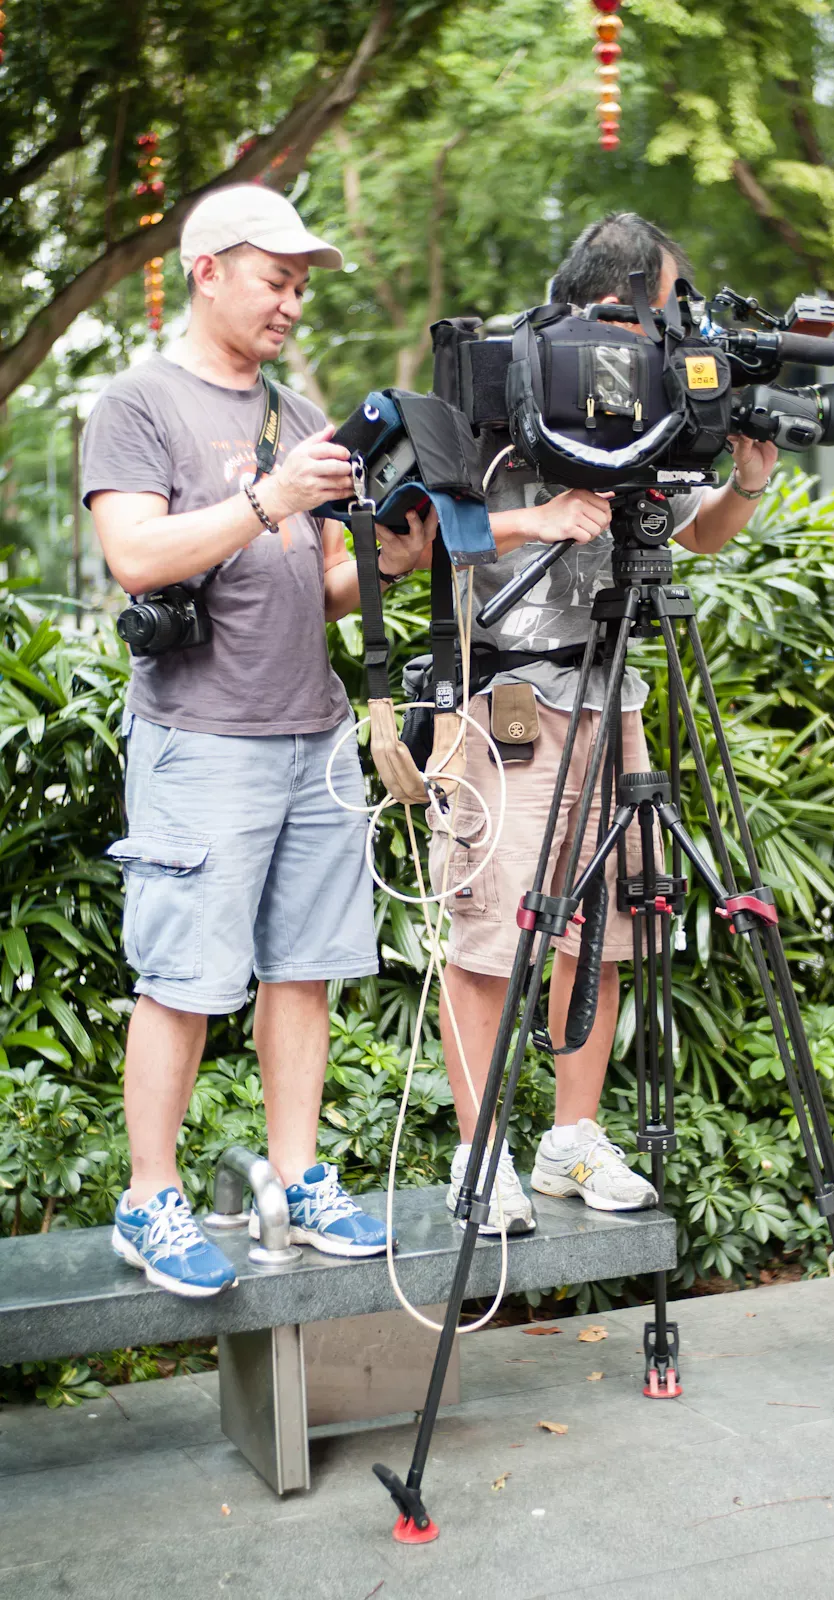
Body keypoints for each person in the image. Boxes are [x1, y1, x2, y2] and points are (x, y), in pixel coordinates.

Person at [85, 185, 434, 1297]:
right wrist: (273, 496)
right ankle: (150, 1198)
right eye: (274, 278)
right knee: (184, 980)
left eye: (299, 284)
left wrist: (385, 561)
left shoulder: (295, 405)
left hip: (312, 734)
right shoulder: (138, 404)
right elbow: (137, 558)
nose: (291, 301)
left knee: (305, 973)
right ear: (207, 272)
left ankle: (296, 1178)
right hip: (203, 738)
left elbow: (310, 587)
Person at [431, 213, 779, 1234]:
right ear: (621, 297)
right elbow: (421, 519)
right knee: (494, 933)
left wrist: (747, 476)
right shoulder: (500, 371)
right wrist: (535, 516)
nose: (677, 323)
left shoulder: (653, 392)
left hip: (613, 696)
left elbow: (696, 532)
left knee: (609, 929)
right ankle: (477, 1155)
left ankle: (568, 1140)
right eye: (669, 302)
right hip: (507, 700)